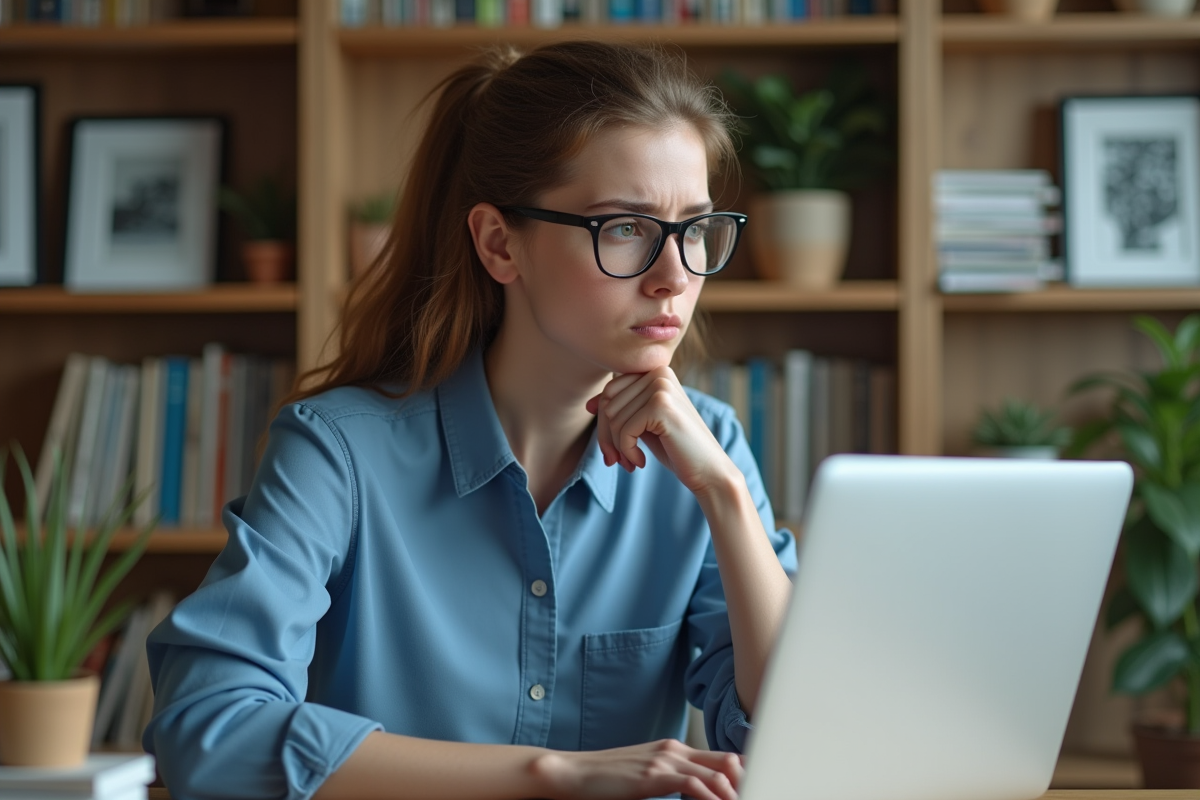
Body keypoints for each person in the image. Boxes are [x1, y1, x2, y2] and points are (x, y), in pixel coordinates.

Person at [143, 40, 797, 800]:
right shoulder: (338, 452)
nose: (675, 275)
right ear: (498, 244)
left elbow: (791, 740)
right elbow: (210, 731)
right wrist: (554, 775)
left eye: (693, 228)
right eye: (624, 228)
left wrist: (723, 495)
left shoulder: (709, 452)